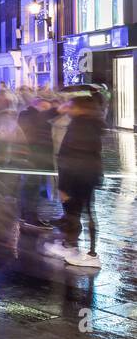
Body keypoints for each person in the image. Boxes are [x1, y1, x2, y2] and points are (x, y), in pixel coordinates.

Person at [43, 93, 106, 271]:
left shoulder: (80, 125)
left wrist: (64, 186)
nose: (68, 108)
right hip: (87, 175)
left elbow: (72, 156)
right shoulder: (91, 123)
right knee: (81, 211)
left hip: (77, 176)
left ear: (80, 108)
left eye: (71, 105)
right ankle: (71, 246)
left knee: (77, 211)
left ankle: (89, 254)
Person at [16, 95, 57, 230]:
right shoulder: (27, 115)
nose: (45, 111)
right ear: (36, 104)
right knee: (31, 187)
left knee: (31, 186)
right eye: (44, 107)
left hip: (36, 157)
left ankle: (25, 214)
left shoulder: (32, 116)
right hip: (32, 157)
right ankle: (30, 217)